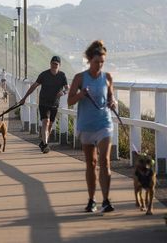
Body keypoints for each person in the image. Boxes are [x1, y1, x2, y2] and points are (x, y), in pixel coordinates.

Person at [67, 40, 115, 213]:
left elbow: (111, 97)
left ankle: (106, 200)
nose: (99, 65)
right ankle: (92, 200)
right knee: (91, 163)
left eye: (102, 62)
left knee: (105, 161)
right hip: (86, 125)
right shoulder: (80, 78)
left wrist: (113, 102)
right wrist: (81, 94)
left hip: (104, 123)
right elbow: (70, 100)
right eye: (97, 62)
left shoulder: (107, 77)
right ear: (89, 60)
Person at [19, 56, 69, 153]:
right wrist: (24, 98)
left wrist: (63, 92)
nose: (54, 65)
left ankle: (43, 142)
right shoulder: (44, 74)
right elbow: (34, 86)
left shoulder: (62, 75)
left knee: (50, 124)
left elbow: (67, 88)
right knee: (45, 122)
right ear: (50, 63)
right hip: (43, 102)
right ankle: (45, 145)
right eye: (53, 63)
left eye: (56, 64)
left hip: (55, 103)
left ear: (59, 65)